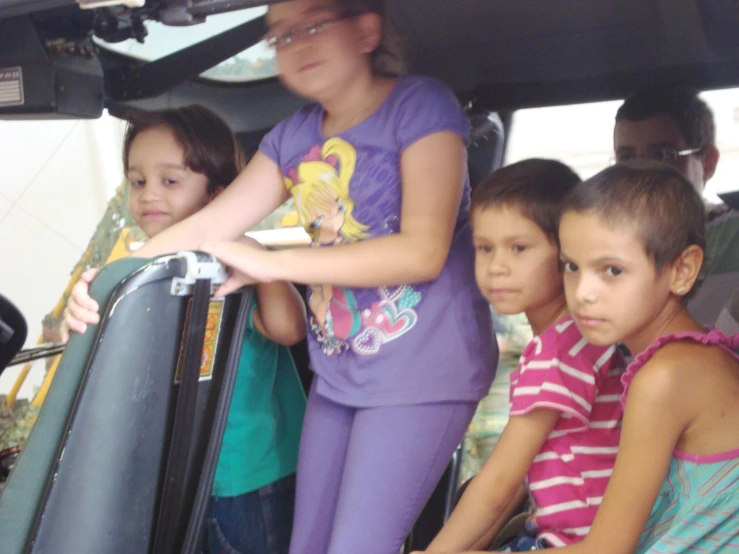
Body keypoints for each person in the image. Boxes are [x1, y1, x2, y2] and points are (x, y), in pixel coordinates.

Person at [63, 1, 497, 552]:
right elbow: (211, 224)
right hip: (340, 373)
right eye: (282, 36)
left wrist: (273, 262)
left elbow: (423, 251)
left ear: (366, 30)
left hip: (424, 371)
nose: (298, 44)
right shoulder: (292, 138)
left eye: (315, 25)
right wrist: (107, 280)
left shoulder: (419, 105)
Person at [69, 105, 308, 554]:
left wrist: (262, 266)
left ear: (220, 193)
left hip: (251, 475)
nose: (148, 195)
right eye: (138, 181)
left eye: (170, 180)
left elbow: (288, 329)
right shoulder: (139, 273)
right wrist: (83, 306)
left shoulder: (239, 256)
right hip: (173, 475)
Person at [419, 160, 624, 552]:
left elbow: (500, 484)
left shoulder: (558, 350)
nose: (497, 267)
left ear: (568, 252)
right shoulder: (581, 336)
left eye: (519, 248)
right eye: (484, 248)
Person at [550, 162, 739, 554]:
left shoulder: (665, 377)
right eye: (571, 266)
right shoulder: (702, 355)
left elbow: (603, 551)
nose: (583, 292)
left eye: (612, 270)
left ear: (682, 270)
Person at [613, 85, 739, 325]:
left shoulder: (732, 234)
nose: (642, 173)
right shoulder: (605, 245)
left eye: (663, 156)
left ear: (708, 163)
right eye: (627, 158)